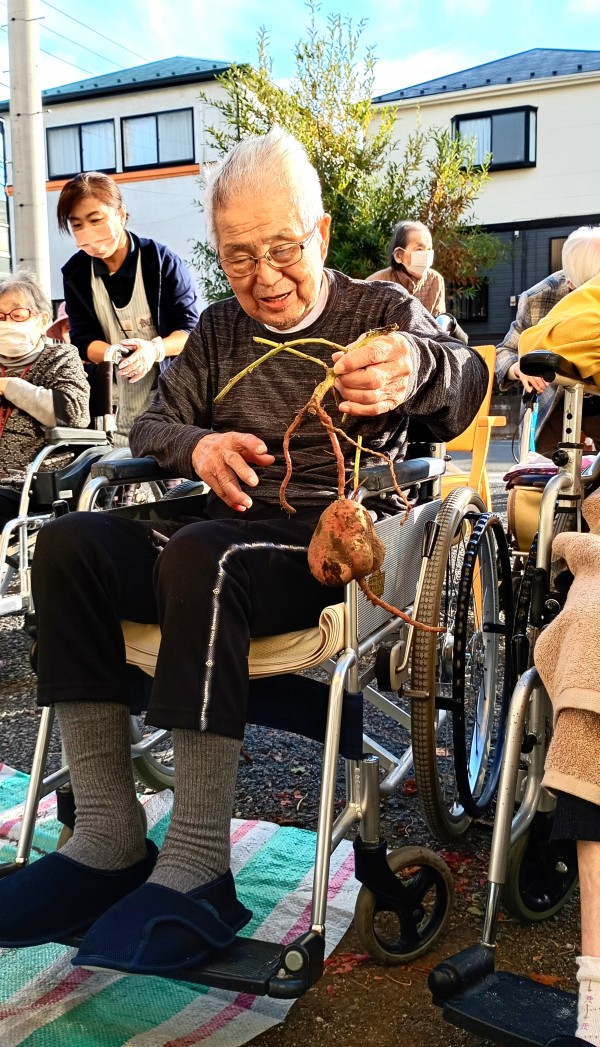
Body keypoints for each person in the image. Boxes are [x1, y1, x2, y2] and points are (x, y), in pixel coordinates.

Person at [0, 128, 488, 976]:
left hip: (326, 545)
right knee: (68, 544)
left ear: (321, 234)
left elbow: (468, 383)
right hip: (215, 523)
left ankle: (198, 865)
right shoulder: (220, 329)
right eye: (238, 256)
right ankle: (108, 839)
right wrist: (196, 445)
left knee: (202, 555)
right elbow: (152, 423)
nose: (263, 276)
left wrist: (413, 366)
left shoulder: (379, 313)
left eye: (283, 249)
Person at [57, 172, 199, 446]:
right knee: (119, 463)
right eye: (77, 225)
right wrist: (114, 353)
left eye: (95, 220)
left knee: (170, 460)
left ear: (121, 215)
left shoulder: (161, 261)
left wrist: (154, 349)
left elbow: (189, 331)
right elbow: (83, 340)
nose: (88, 232)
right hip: (117, 403)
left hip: (172, 398)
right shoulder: (76, 273)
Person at [495, 226, 600, 454]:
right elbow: (505, 351)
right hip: (555, 399)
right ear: (570, 284)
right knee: (548, 467)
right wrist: (519, 368)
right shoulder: (539, 297)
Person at [0, 272, 90, 527]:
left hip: (25, 481)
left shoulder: (60, 357)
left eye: (18, 315)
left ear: (42, 321)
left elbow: (74, 413)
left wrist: (10, 386)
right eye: (0, 317)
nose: (7, 323)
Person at [366, 220, 446, 317]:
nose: (426, 254)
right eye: (419, 249)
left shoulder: (435, 280)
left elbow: (437, 322)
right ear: (399, 255)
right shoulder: (376, 283)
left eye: (429, 249)